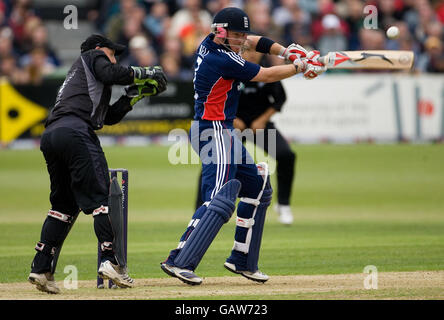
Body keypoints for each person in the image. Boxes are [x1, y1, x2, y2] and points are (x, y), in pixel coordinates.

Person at [160, 7, 325, 286]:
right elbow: (267, 75)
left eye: (242, 34)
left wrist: (287, 51)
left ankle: (242, 260)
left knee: (259, 186)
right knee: (219, 197)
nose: (243, 40)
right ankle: (179, 260)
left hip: (221, 130)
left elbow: (256, 41)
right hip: (213, 130)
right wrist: (302, 66)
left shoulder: (212, 42)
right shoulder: (221, 59)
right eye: (237, 35)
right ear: (221, 33)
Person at [28, 34, 167, 294]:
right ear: (99, 49)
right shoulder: (93, 56)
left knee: (63, 206)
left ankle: (41, 267)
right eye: (113, 53)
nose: (114, 58)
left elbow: (109, 117)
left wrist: (132, 97)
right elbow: (110, 71)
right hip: (76, 134)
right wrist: (144, 72)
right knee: (101, 199)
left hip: (53, 135)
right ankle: (110, 261)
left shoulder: (86, 81)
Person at [194, 53, 297, 225]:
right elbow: (216, 98)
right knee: (214, 162)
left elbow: (280, 99)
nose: (253, 54)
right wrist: (232, 119)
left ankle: (283, 205)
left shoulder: (264, 71)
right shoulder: (232, 67)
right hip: (232, 124)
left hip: (259, 125)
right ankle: (201, 208)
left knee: (287, 156)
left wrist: (262, 120)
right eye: (249, 50)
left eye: (257, 51)